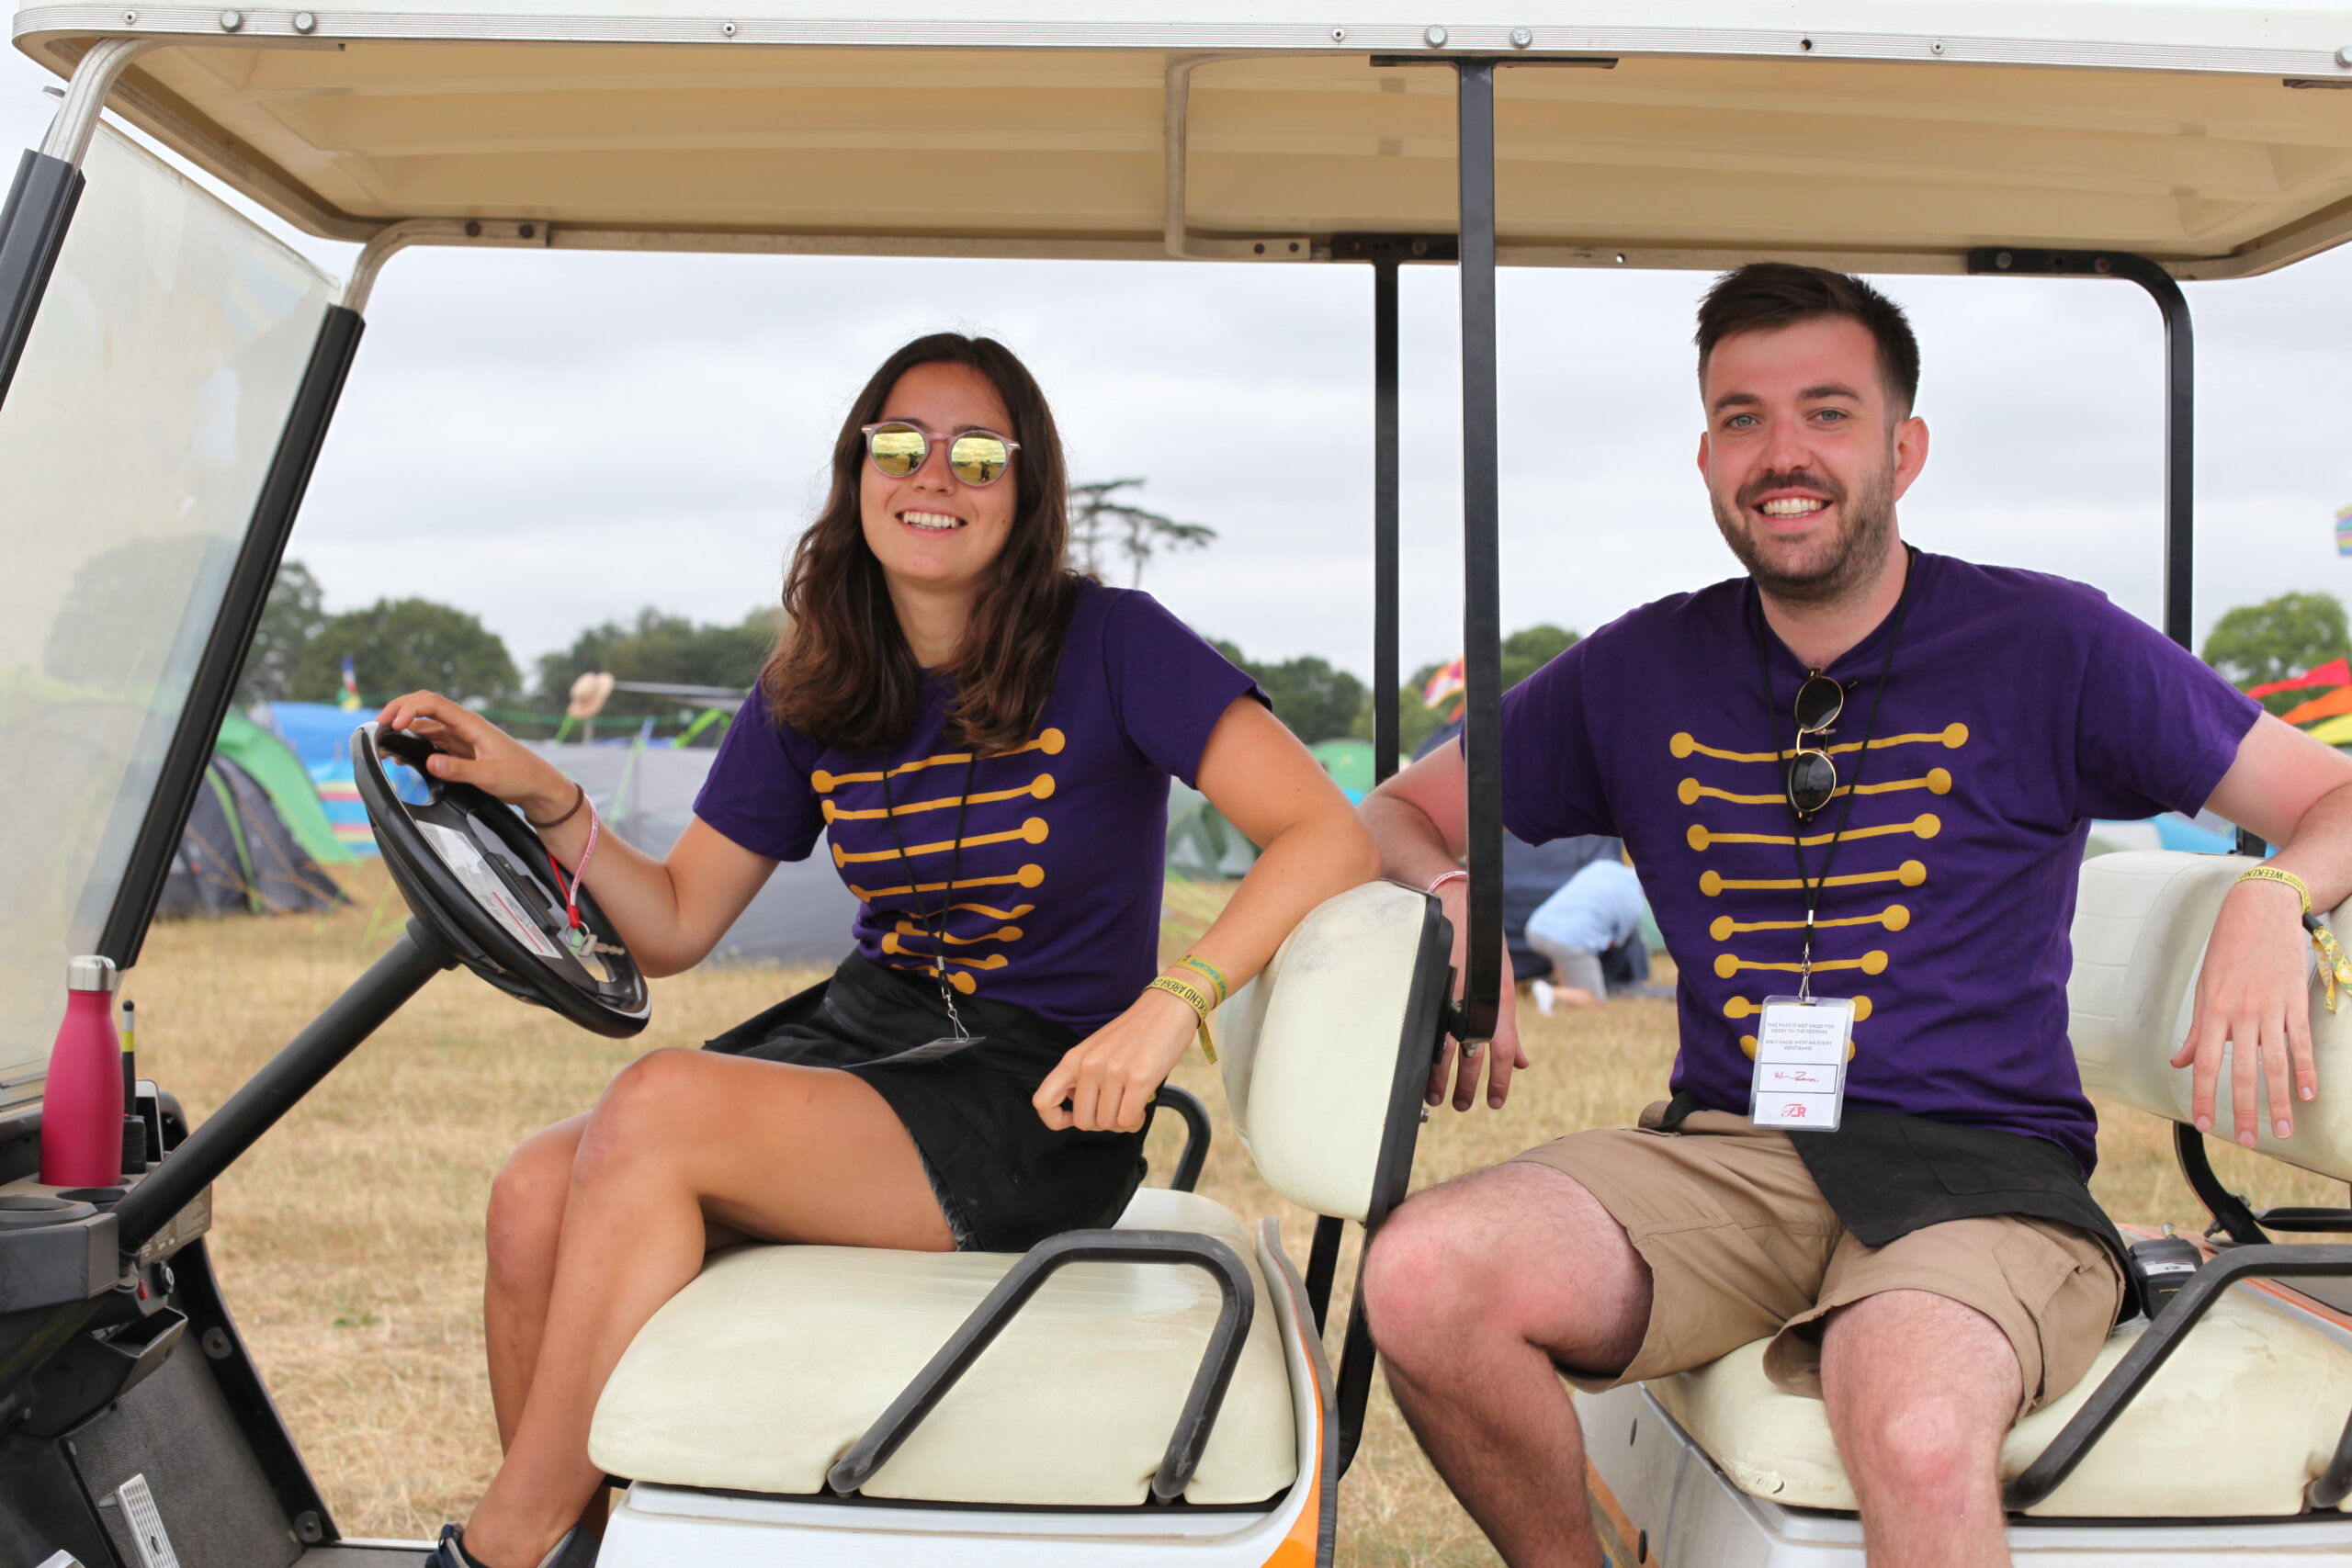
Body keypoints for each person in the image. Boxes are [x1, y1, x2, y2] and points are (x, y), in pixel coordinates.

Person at [1356, 263, 2352, 1568]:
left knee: (1915, 1417)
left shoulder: (2053, 642)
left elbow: (2333, 795)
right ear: (1707, 457)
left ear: (1903, 448)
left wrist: (2272, 895)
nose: (1783, 454)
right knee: (1423, 1276)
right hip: (1731, 1156)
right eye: (1742, 418)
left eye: (1827, 412)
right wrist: (1457, 898)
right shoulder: (1638, 665)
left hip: (1979, 1171)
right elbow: (1396, 811)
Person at [379, 333, 1379, 1568]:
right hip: (875, 1033)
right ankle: (581, 1547)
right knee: (533, 1191)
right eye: (900, 445)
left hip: (1040, 1092)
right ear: (858, 471)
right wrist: (546, 793)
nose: (934, 476)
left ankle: (503, 1546)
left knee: (659, 1104)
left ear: (1026, 486)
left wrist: (1170, 1004)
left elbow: (1327, 834)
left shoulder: (1115, 640)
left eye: (979, 455)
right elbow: (678, 918)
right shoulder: (817, 672)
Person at [1525, 854, 1645, 1011]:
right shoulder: (1635, 903)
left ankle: (1563, 1003)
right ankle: (1550, 993)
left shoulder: (1605, 866)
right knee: (1595, 1000)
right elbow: (1616, 943)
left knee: (1564, 959)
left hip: (1536, 929)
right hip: (1569, 941)